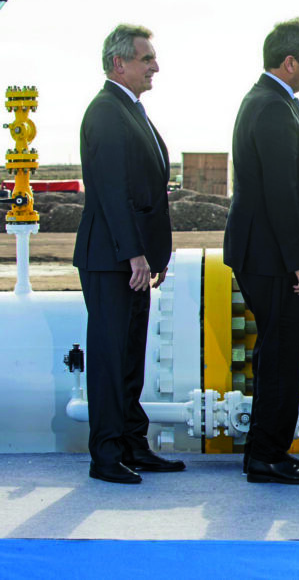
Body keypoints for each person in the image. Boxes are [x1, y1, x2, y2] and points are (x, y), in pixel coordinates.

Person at [74, 24, 184, 484]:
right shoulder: (105, 112)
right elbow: (113, 192)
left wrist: (150, 255)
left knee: (130, 358)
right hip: (111, 259)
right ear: (119, 63)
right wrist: (135, 255)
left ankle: (132, 445)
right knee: (108, 359)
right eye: (146, 58)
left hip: (131, 260)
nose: (155, 66)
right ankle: (106, 456)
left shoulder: (130, 110)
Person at [224, 18, 299, 485]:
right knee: (282, 355)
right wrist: (298, 260)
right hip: (273, 258)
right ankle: (268, 456)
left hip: (267, 254)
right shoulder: (270, 107)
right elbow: (279, 192)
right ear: (290, 62)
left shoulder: (271, 101)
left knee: (277, 354)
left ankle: (265, 452)